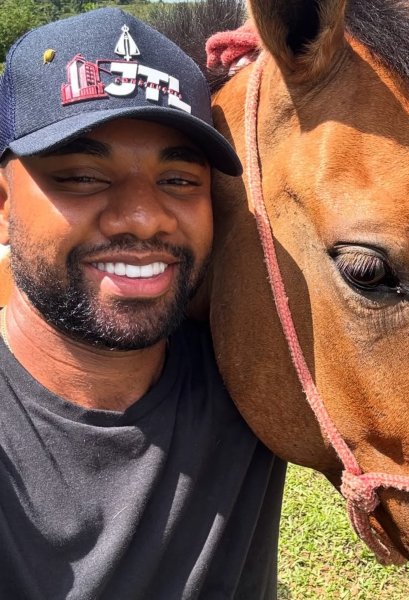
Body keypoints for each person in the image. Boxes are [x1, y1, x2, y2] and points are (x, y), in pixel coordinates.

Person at [0, 8, 286, 598]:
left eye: (180, 181)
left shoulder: (251, 372)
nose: (143, 216)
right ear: (3, 202)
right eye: (81, 176)